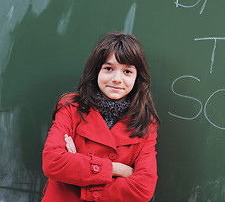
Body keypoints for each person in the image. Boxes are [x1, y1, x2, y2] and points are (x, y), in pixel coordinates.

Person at [42, 32, 160, 202]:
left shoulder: (145, 122)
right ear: (96, 70)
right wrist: (117, 169)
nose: (117, 79)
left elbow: (143, 188)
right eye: (108, 69)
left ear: (137, 78)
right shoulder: (71, 107)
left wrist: (79, 171)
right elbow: (52, 163)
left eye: (127, 71)